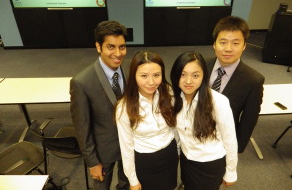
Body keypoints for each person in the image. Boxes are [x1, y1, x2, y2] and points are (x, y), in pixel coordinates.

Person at [70, 20, 129, 190]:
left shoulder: (130, 70)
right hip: (103, 152)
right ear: (98, 47)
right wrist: (92, 161)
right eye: (111, 47)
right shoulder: (81, 82)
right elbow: (82, 127)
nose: (118, 53)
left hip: (129, 146)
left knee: (127, 185)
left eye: (122, 47)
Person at [170, 51, 238, 190]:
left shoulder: (218, 102)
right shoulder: (174, 99)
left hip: (209, 164)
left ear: (203, 76)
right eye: (183, 74)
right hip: (187, 161)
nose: (188, 81)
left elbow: (230, 140)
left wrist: (231, 172)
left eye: (195, 75)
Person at [115, 51, 178, 190]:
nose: (151, 82)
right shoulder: (124, 106)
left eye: (156, 75)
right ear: (134, 76)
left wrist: (178, 151)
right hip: (144, 162)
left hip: (169, 155)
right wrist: (132, 179)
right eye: (144, 76)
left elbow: (175, 128)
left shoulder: (168, 93)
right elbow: (126, 147)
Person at [206, 16, 265, 153]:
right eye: (223, 42)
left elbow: (248, 120)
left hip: (223, 140)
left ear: (244, 45)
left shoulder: (253, 80)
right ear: (214, 44)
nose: (228, 49)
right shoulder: (201, 66)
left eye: (235, 43)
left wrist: (236, 149)